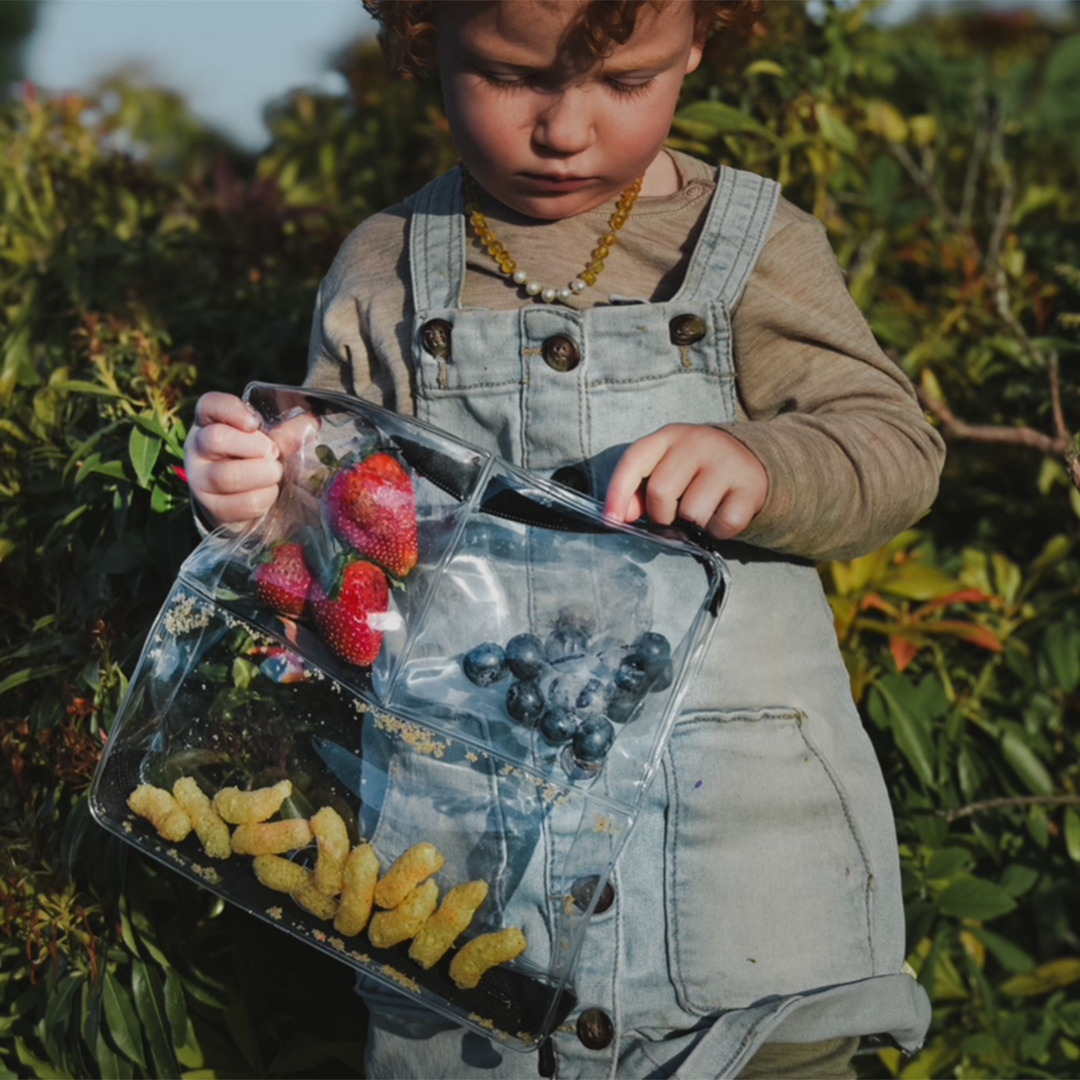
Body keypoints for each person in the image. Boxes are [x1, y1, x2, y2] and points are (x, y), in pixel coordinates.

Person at [184, 2, 945, 1076]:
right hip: (469, 880)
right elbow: (337, 552)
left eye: (624, 83)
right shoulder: (386, 270)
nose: (564, 129)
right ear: (426, 41)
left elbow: (895, 451)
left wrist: (766, 466)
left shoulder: (752, 246)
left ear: (695, 51)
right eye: (507, 75)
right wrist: (261, 495)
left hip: (745, 887)